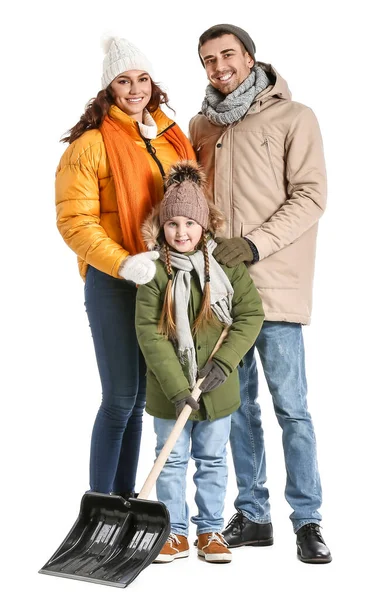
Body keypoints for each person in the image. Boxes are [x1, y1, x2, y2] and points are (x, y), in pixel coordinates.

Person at [189, 24, 332, 563]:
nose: (218, 65)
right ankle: (252, 515)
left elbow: (312, 194)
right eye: (208, 59)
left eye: (227, 54)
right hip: (221, 291)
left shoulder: (295, 117)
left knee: (291, 408)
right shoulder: (201, 125)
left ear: (250, 58)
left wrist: (254, 244)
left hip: (273, 285)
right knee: (237, 407)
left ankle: (309, 521)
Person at [55, 37, 195, 497]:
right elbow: (75, 220)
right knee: (118, 398)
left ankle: (124, 500)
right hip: (115, 281)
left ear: (152, 84)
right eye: (123, 80)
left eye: (142, 79)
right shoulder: (91, 145)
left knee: (137, 403)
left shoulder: (171, 138)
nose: (134, 88)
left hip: (163, 280)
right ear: (108, 89)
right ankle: (100, 505)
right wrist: (122, 263)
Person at [135, 160, 264, 563]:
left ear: (204, 224)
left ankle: (209, 531)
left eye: (190, 224)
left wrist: (224, 364)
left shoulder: (226, 267)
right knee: (170, 457)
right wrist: (176, 389)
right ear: (162, 227)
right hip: (168, 389)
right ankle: (174, 532)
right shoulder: (154, 271)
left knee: (211, 458)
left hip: (216, 387)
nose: (181, 232)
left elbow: (250, 315)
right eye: (173, 224)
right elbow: (150, 334)